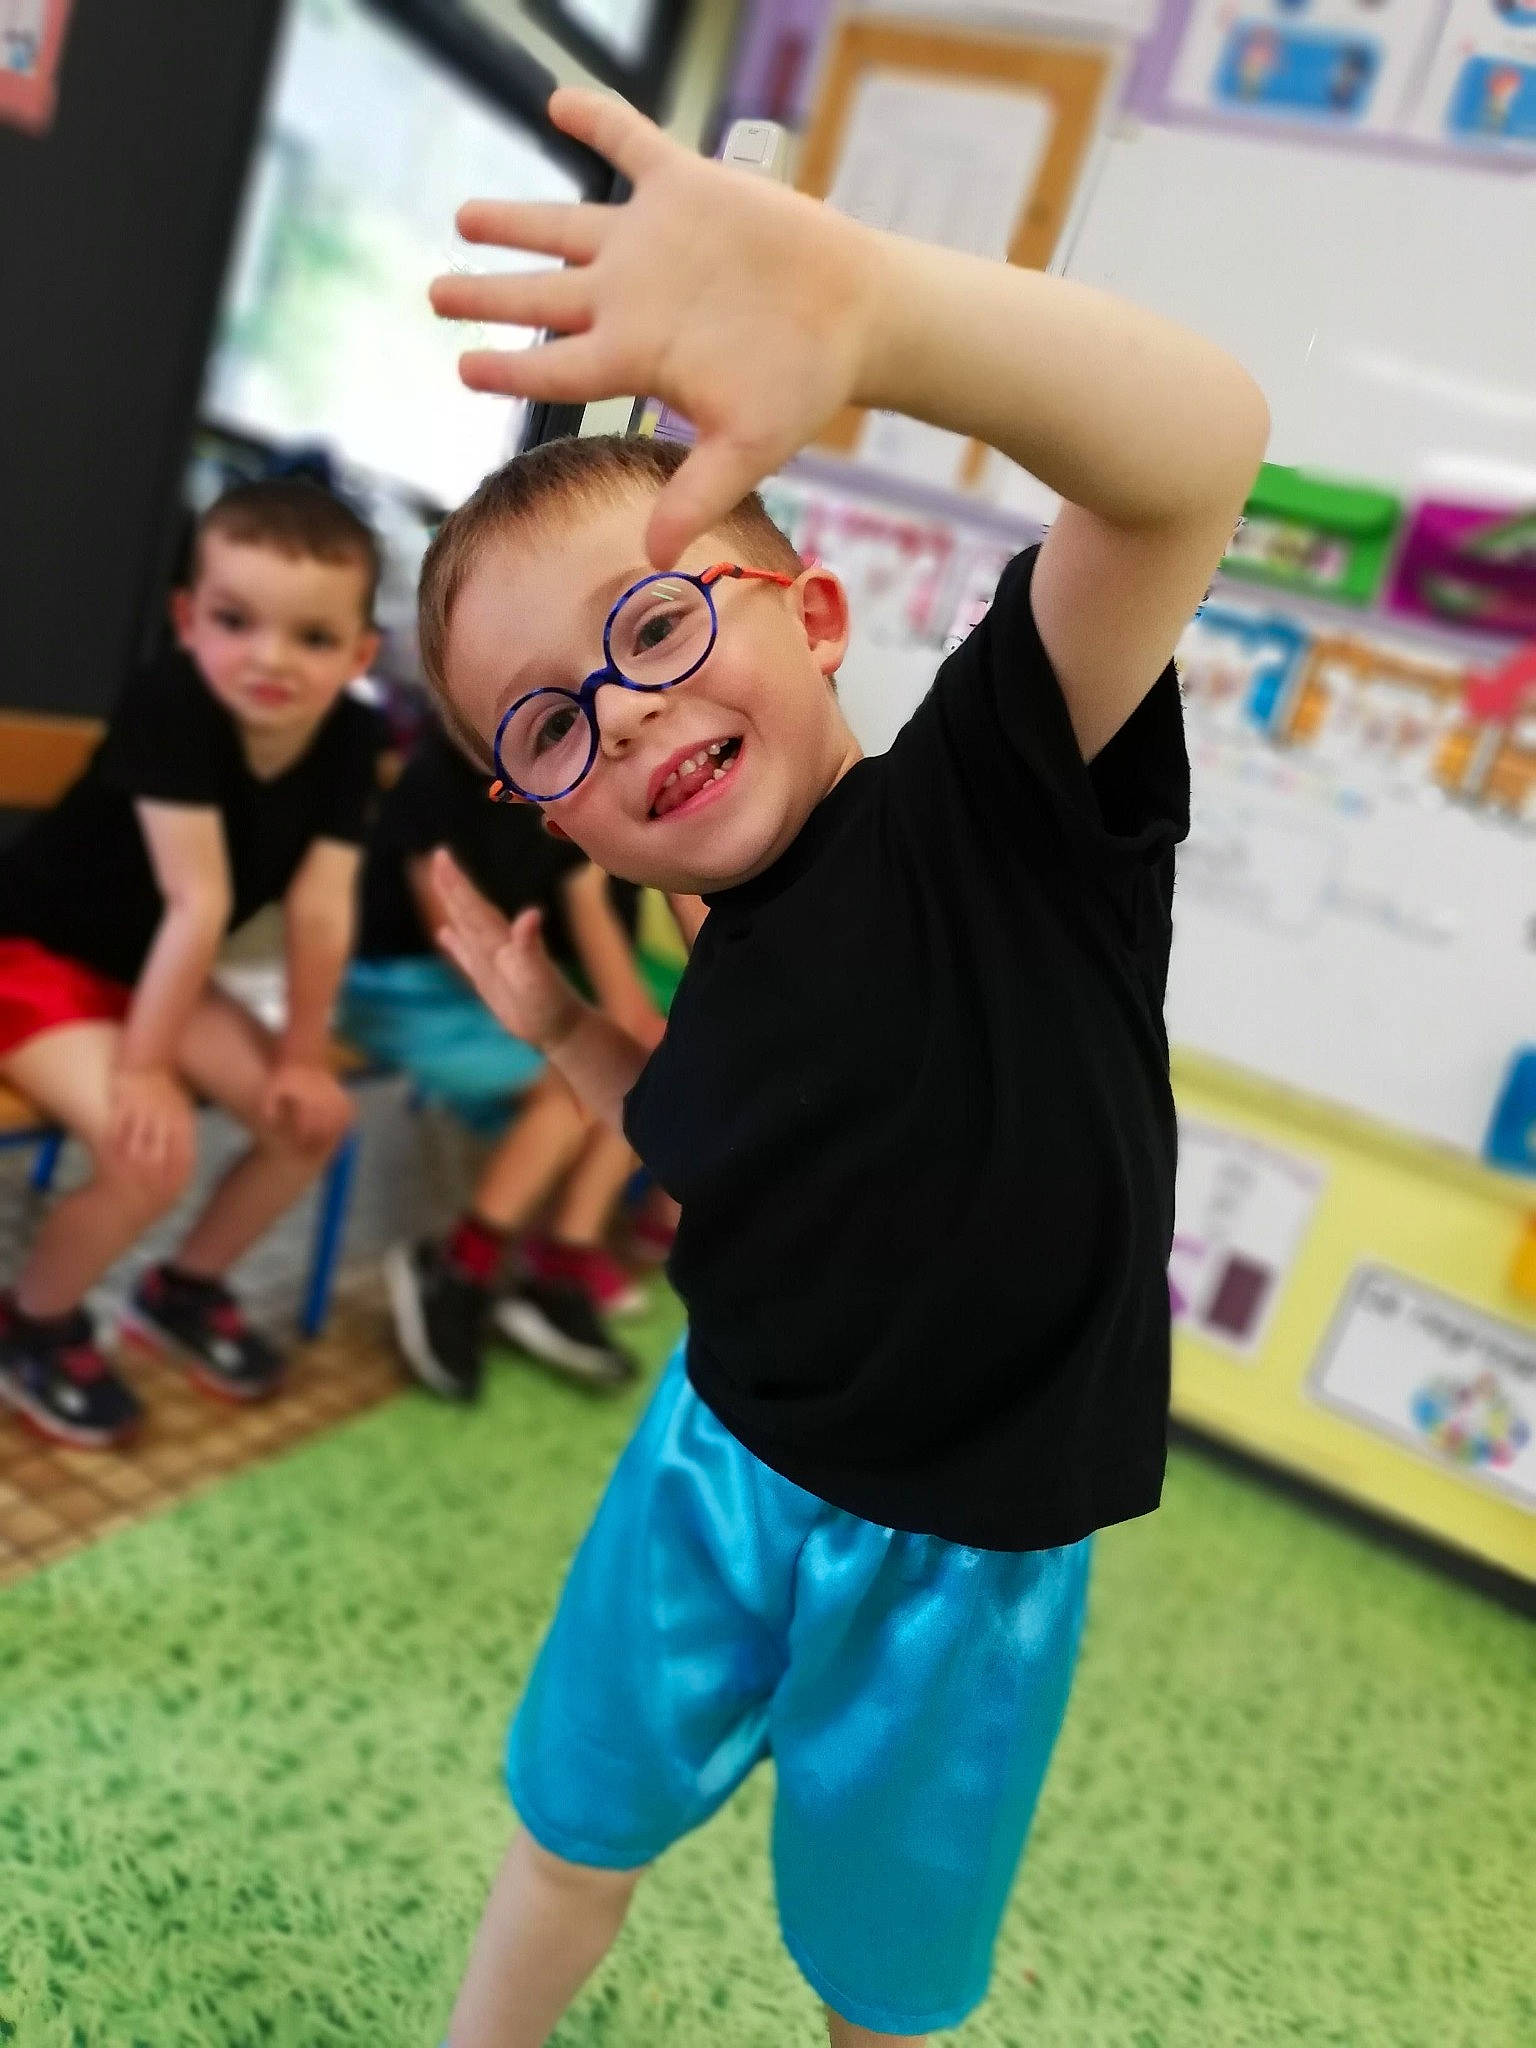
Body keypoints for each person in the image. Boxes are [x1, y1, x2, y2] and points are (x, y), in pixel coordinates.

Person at [424, 89, 1268, 2048]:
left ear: (812, 613)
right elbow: (719, 1152)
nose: (623, 722)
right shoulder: (715, 940)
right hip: (714, 1463)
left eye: (653, 622)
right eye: (550, 724)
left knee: (879, 1975)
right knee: (570, 1825)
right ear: (537, 798)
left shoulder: (1004, 799)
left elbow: (1195, 453)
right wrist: (562, 1027)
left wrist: (871, 311)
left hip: (967, 1549)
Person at [0, 481, 385, 1447]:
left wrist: (301, 1056)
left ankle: (184, 1288)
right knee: (148, 1151)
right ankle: (33, 1323)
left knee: (308, 1122)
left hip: (149, 972)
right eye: (234, 620)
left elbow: (321, 909)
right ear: (186, 619)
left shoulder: (354, 737)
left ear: (360, 655)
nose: (269, 658)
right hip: (31, 951)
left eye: (312, 637)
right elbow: (199, 902)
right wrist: (144, 1071)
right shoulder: (172, 697)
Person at [342, 714, 669, 1396]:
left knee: (636, 1069)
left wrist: (633, 1023)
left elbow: (590, 909)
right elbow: (448, 925)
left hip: (498, 977)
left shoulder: (558, 776)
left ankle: (561, 1264)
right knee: (568, 1088)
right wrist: (548, 1031)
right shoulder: (434, 775)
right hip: (403, 983)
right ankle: (455, 1268)